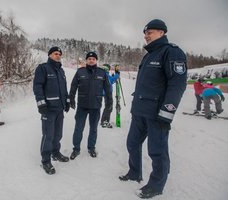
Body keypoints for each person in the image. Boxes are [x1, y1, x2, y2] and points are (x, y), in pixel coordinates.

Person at [119, 19, 187, 199]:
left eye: (150, 32)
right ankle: (135, 173)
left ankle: (156, 185)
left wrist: (167, 112)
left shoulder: (172, 52)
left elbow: (177, 84)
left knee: (157, 151)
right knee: (132, 144)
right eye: (145, 33)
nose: (146, 35)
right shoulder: (149, 55)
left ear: (162, 33)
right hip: (139, 111)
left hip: (157, 114)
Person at [33, 46, 70, 175]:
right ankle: (46, 160)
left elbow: (64, 89)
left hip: (59, 109)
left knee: (58, 134)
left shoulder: (61, 71)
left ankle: (55, 153)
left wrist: (67, 101)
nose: (58, 55)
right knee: (48, 135)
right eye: (55, 53)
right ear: (49, 55)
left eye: (60, 54)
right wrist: (41, 103)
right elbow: (37, 87)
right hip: (48, 109)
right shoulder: (43, 68)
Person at [69, 52, 112, 159]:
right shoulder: (80, 72)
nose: (91, 60)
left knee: (93, 129)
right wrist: (71, 98)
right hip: (82, 106)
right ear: (86, 60)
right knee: (78, 128)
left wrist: (109, 102)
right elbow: (73, 86)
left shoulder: (102, 73)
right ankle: (76, 149)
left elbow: (107, 88)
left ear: (96, 60)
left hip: (96, 106)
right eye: (89, 59)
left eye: (93, 59)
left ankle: (91, 148)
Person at [100, 63, 120, 128]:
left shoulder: (103, 74)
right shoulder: (106, 75)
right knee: (109, 107)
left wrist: (113, 76)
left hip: (105, 92)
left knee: (107, 107)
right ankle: (104, 121)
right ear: (107, 69)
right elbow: (112, 80)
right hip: (107, 93)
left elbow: (110, 81)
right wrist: (117, 73)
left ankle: (104, 121)